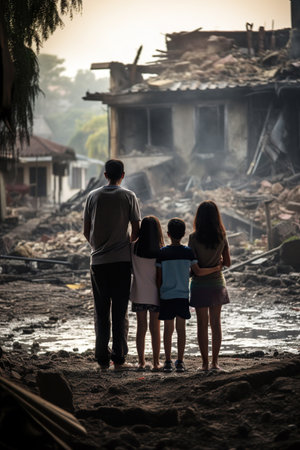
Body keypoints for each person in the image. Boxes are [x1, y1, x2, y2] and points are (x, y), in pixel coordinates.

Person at [83, 159, 141, 371]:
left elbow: (86, 230)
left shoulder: (92, 196)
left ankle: (102, 359)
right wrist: (126, 246)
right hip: (121, 262)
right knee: (119, 311)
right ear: (122, 175)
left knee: (101, 310)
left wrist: (98, 248)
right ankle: (119, 358)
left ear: (105, 174)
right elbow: (136, 228)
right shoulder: (129, 196)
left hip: (98, 263)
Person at [156, 218, 219, 373]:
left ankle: (168, 361)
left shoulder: (162, 253)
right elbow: (196, 271)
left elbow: (158, 277)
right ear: (184, 234)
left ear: (168, 234)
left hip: (166, 295)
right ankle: (180, 361)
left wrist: (160, 292)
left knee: (168, 329)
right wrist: (216, 268)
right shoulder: (188, 252)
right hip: (183, 295)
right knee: (181, 329)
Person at [188, 200, 231, 372]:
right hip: (217, 283)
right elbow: (227, 262)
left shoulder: (193, 238)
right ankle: (215, 363)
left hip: (199, 286)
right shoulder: (222, 236)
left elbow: (193, 267)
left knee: (201, 325)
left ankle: (204, 364)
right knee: (216, 324)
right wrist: (217, 265)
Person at [130, 216, 164, 372]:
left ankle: (141, 362)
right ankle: (156, 363)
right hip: (156, 295)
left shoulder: (133, 248)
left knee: (141, 328)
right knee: (155, 329)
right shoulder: (161, 251)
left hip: (138, 294)